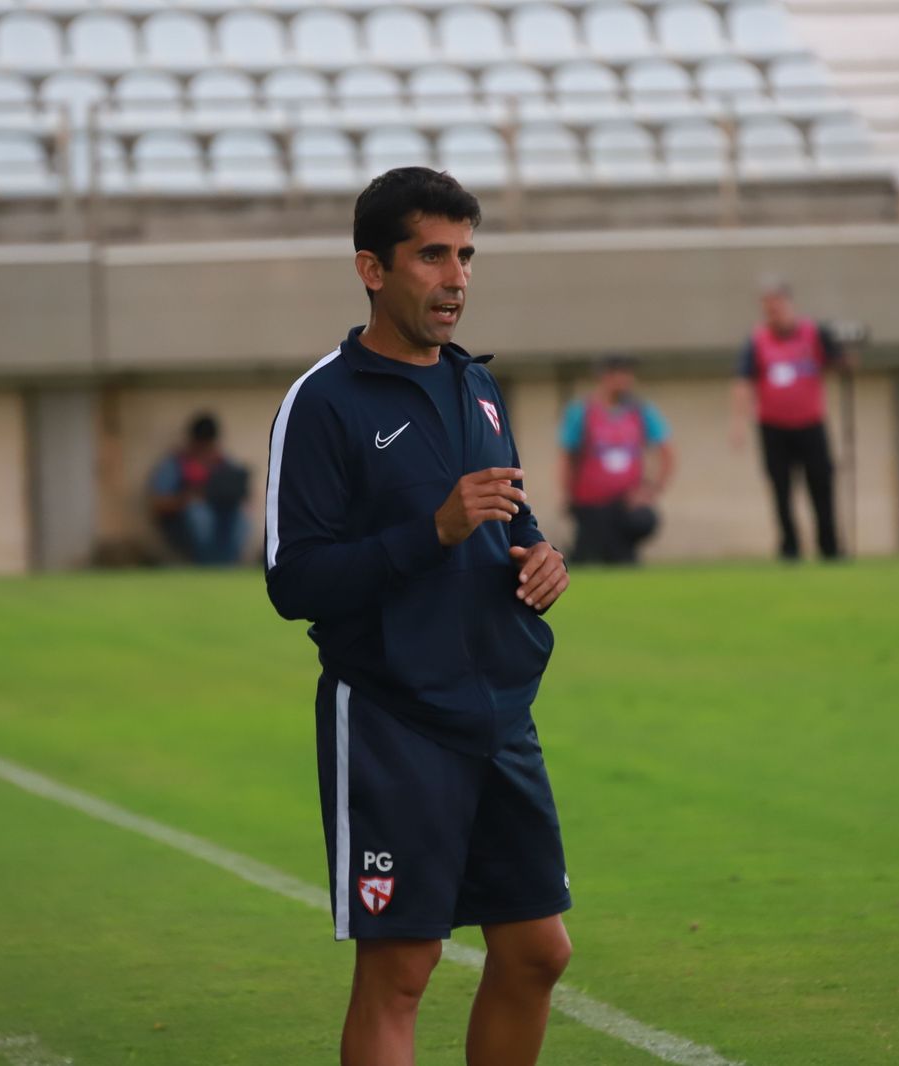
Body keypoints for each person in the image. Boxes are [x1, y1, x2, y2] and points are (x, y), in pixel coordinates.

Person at [264, 167, 573, 1066]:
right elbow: (294, 582)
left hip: (498, 715)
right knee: (402, 970)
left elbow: (510, 515)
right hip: (395, 720)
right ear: (372, 268)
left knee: (537, 951)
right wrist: (430, 532)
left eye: (466, 255)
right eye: (431, 255)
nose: (456, 278)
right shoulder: (323, 402)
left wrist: (542, 558)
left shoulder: (477, 386)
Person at [730, 277, 854, 562]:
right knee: (781, 489)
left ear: (789, 304)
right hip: (773, 427)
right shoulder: (757, 341)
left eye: (777, 306)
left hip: (810, 424)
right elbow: (743, 381)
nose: (773, 312)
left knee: (821, 485)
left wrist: (846, 361)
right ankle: (790, 548)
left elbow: (837, 363)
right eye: (767, 308)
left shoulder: (813, 334)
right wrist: (738, 423)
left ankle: (830, 547)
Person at [558, 354, 675, 564]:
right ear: (604, 377)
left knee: (636, 532)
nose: (626, 380)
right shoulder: (582, 411)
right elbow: (567, 456)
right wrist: (566, 494)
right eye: (620, 374)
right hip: (590, 502)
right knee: (589, 558)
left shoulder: (641, 411)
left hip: (625, 504)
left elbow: (667, 452)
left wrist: (651, 490)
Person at [148, 413, 250, 565]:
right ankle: (207, 565)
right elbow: (158, 502)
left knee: (241, 519)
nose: (205, 451)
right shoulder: (175, 464)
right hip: (182, 523)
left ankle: (228, 566)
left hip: (223, 518)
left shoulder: (224, 463)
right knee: (199, 513)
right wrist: (187, 498)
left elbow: (242, 493)